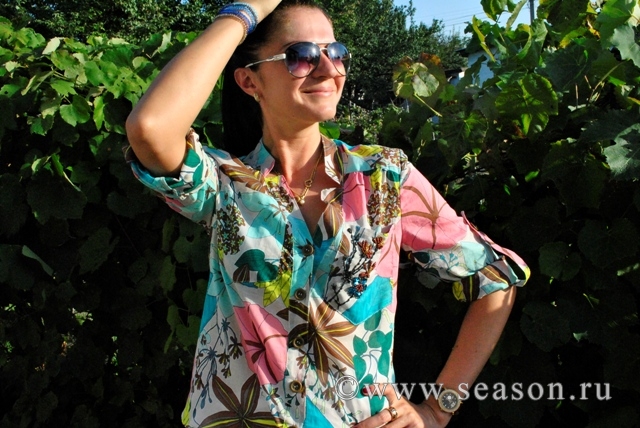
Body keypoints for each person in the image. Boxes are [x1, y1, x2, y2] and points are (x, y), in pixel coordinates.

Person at [125, 0, 530, 427]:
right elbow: (150, 127)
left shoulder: (383, 177)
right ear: (249, 80)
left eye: (335, 53)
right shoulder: (226, 185)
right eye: (300, 55)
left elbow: (496, 278)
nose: (327, 68)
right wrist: (250, 8)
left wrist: (437, 410)